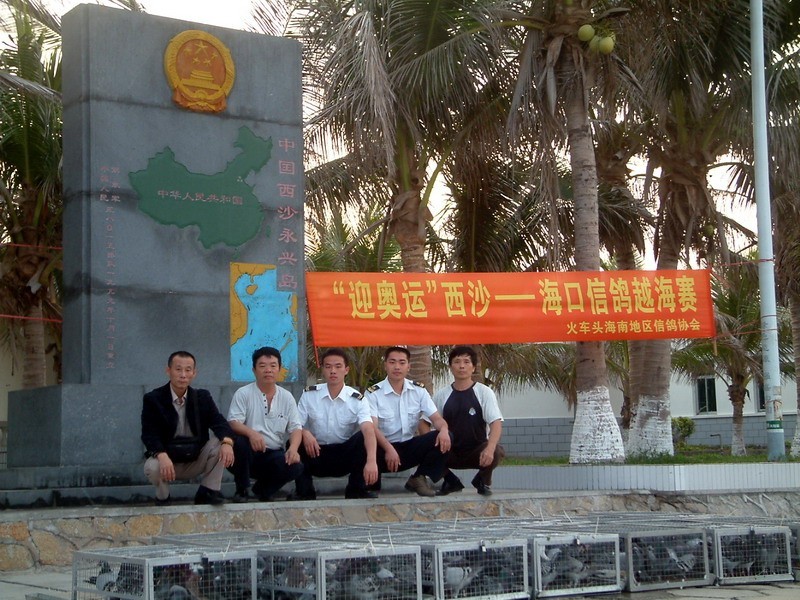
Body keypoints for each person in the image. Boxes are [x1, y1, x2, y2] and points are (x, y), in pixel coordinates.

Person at [141, 351, 235, 505]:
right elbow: (149, 434)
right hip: (167, 461)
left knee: (221, 443)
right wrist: (162, 455)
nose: (183, 375)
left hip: (196, 457)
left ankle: (208, 492)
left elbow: (219, 423)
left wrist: (227, 443)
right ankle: (163, 497)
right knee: (152, 467)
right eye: (178, 369)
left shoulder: (202, 397)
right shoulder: (154, 399)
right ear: (168, 371)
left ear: (194, 373)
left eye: (188, 370)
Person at [365, 346, 451, 497]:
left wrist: (444, 430)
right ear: (385, 365)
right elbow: (372, 428)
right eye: (392, 362)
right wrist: (389, 449)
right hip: (382, 450)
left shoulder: (419, 391)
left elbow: (436, 418)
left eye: (402, 362)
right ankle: (371, 487)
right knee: (362, 441)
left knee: (447, 436)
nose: (397, 367)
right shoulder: (373, 393)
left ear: (408, 366)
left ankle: (418, 478)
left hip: (408, 449)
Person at [293, 347, 379, 500]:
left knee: (363, 438)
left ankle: (356, 490)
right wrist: (305, 433)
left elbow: (368, 429)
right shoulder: (309, 395)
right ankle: (304, 492)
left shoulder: (357, 399)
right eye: (328, 366)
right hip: (316, 453)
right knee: (294, 441)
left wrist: (372, 461)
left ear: (346, 370)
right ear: (323, 370)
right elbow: (296, 424)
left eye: (338, 366)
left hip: (343, 456)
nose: (333, 371)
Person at [227, 346, 304, 502]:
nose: (268, 370)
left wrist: (293, 449)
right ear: (254, 370)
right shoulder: (243, 393)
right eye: (262, 366)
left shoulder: (287, 397)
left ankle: (263, 490)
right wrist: (252, 434)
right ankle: (242, 490)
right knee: (240, 443)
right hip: (247, 454)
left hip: (273, 453)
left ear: (279, 369)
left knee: (296, 465)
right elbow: (233, 422)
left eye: (273, 366)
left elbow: (296, 428)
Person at [430, 345, 505, 496]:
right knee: (424, 449)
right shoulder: (441, 395)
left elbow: (496, 422)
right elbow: (424, 422)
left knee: (497, 451)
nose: (462, 366)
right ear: (450, 367)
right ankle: (450, 481)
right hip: (449, 452)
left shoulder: (484, 392)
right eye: (457, 362)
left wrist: (490, 448)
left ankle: (482, 480)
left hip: (477, 452)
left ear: (473, 367)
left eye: (466, 362)